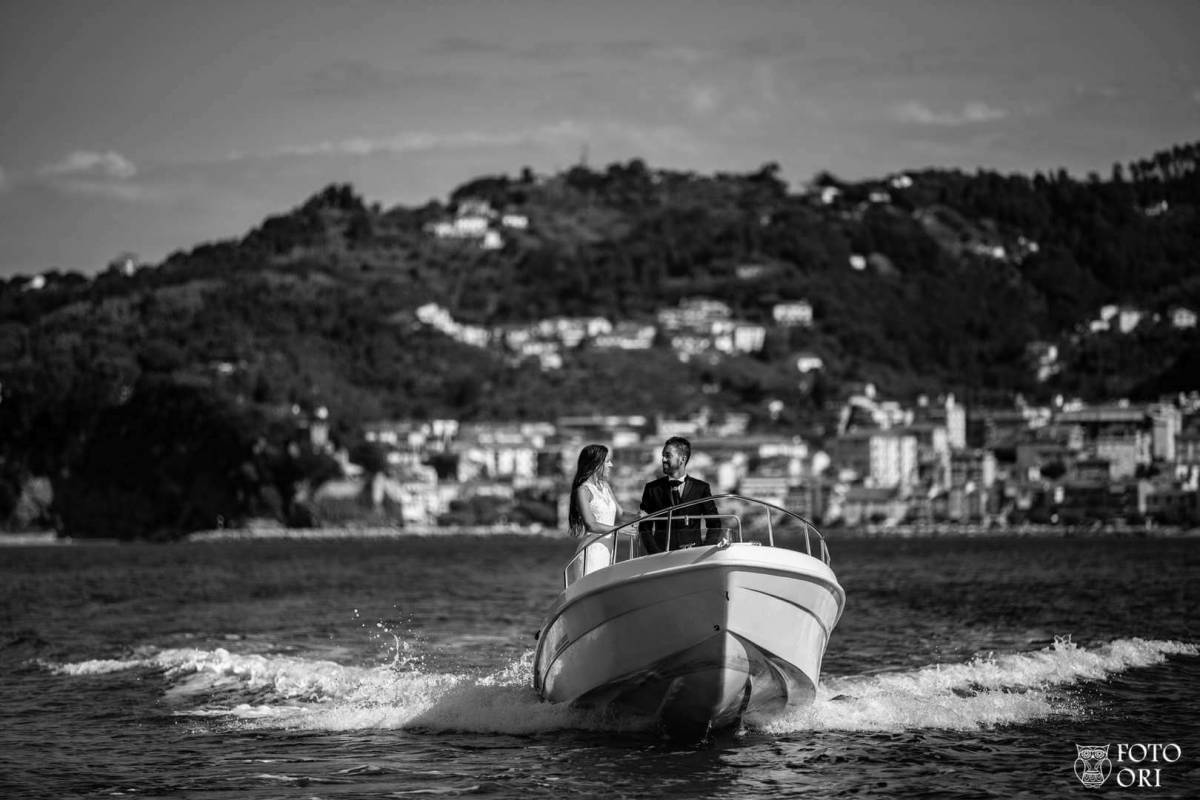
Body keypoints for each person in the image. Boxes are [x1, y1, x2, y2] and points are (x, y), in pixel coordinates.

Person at [638, 436, 720, 554]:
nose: (663, 459)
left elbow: (714, 524)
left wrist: (704, 550)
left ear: (682, 459)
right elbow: (645, 527)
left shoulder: (701, 488)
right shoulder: (652, 489)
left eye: (668, 455)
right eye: (663, 455)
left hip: (693, 556)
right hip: (660, 557)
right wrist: (655, 553)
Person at [567, 443, 624, 577]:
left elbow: (621, 514)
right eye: (607, 461)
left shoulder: (605, 486)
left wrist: (644, 517)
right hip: (590, 555)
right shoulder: (583, 490)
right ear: (596, 464)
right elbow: (591, 524)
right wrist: (620, 530)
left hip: (607, 553)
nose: (611, 465)